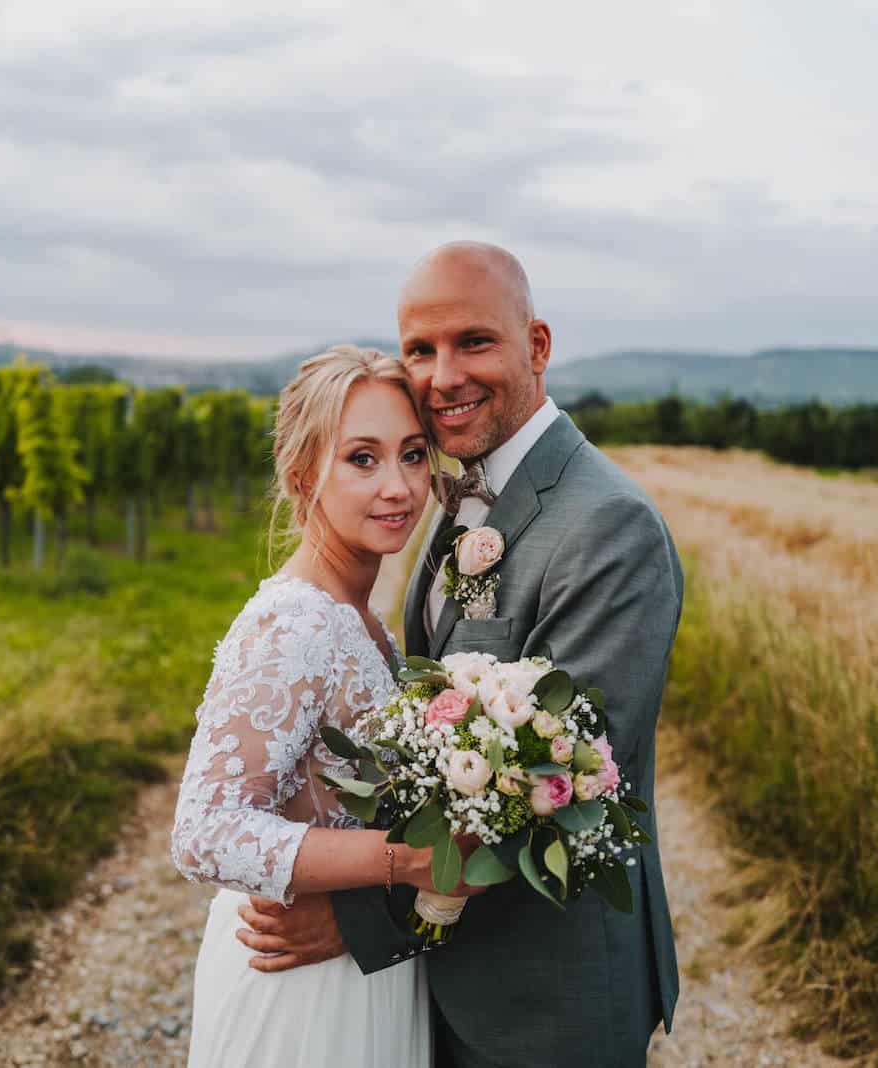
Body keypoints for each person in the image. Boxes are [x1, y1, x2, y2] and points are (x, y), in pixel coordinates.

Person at [234, 242, 685, 1067]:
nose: (443, 376)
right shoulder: (454, 495)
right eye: (421, 349)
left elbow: (562, 793)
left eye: (474, 342)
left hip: (544, 1000)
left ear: (536, 346)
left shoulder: (608, 527)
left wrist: (350, 919)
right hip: (439, 985)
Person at [171, 344, 481, 1067]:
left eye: (411, 454)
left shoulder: (364, 614)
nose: (398, 486)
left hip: (360, 970)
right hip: (298, 991)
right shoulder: (295, 623)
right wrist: (406, 860)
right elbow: (204, 831)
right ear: (302, 472)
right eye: (362, 459)